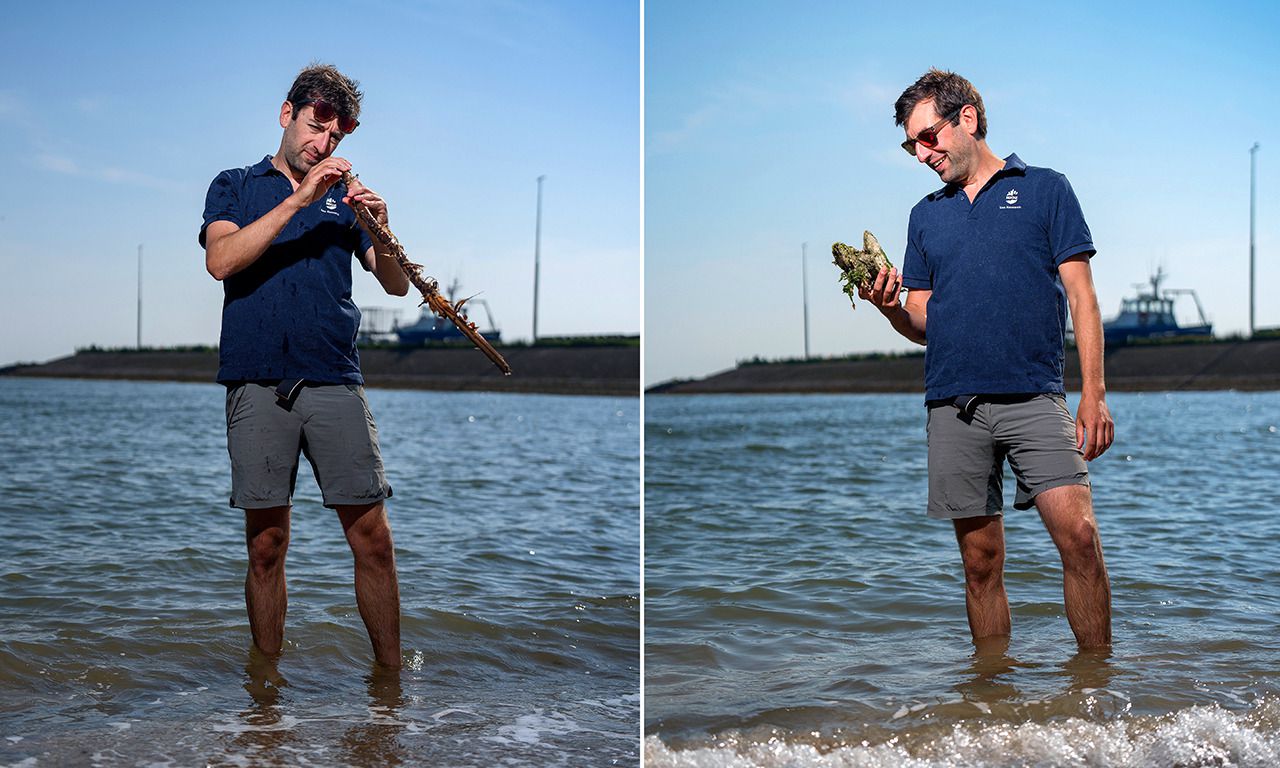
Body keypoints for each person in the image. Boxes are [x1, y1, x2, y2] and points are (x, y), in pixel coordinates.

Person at [861, 68, 1115, 649]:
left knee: (1079, 538)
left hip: (1035, 396)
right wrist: (889, 309)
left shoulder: (1047, 189)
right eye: (911, 145)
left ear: (967, 119)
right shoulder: (925, 215)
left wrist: (1094, 392)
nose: (921, 154)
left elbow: (1083, 297)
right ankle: (992, 705)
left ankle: (1098, 690)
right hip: (954, 407)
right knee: (980, 563)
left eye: (928, 137)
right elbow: (924, 320)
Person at [199, 63, 410, 667]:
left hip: (335, 378)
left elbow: (395, 285)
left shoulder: (345, 202)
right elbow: (222, 261)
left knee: (373, 540)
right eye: (316, 127)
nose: (323, 145)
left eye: (336, 139)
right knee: (267, 545)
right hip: (257, 380)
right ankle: (265, 696)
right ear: (286, 113)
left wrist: (381, 228)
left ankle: (390, 688)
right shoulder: (233, 185)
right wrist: (300, 199)